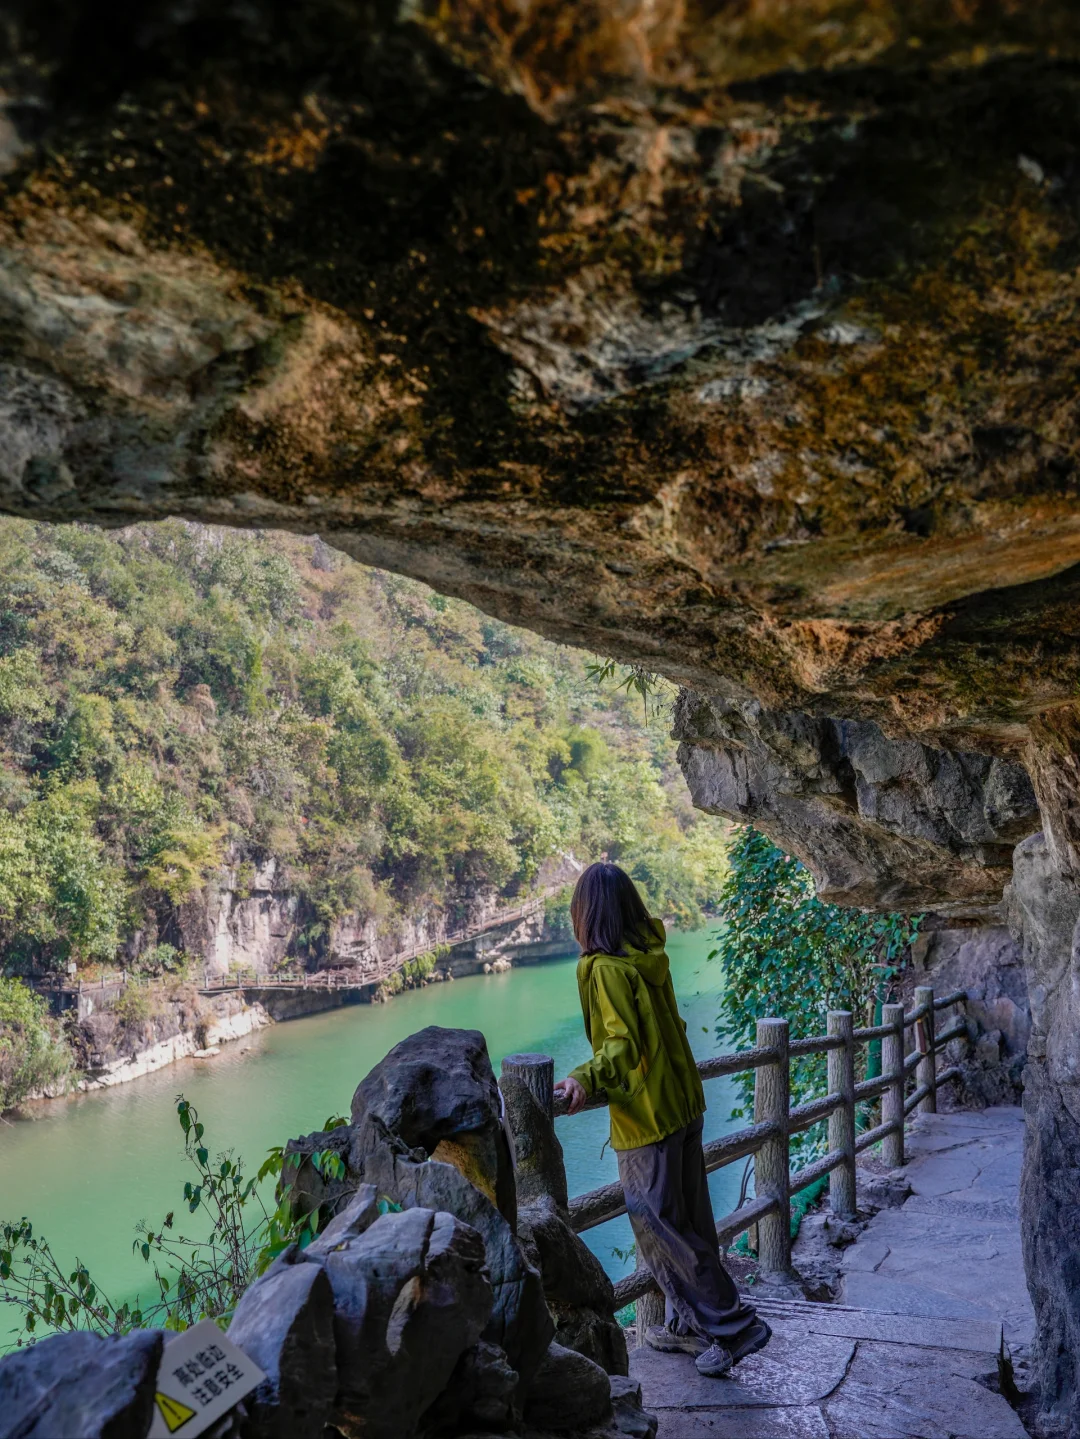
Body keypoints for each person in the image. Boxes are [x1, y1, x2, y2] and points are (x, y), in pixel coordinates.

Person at [554, 861, 770, 1378]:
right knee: (692, 1223)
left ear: (587, 916)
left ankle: (734, 1329)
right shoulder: (648, 956)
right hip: (682, 1107)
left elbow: (622, 1047)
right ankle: (687, 1327)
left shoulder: (605, 970)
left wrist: (584, 1077)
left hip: (648, 1121)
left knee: (663, 1232)